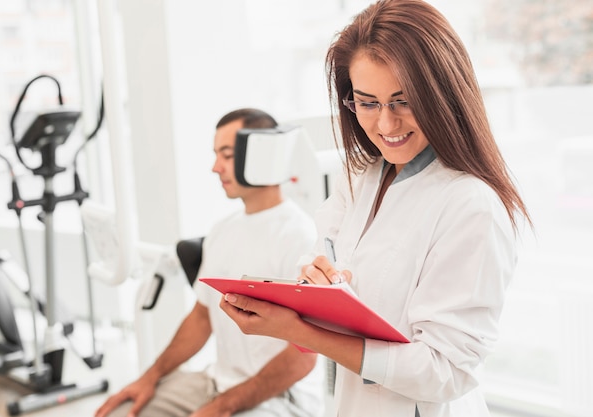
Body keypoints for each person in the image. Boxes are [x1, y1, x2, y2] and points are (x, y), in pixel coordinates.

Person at [220, 1, 533, 416]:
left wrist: (299, 331)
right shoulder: (362, 178)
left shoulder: (471, 204)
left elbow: (445, 372)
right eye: (368, 103)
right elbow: (324, 260)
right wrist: (309, 289)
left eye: (403, 102)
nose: (386, 125)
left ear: (442, 94)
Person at [95, 108, 324, 417]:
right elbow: (202, 319)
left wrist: (220, 408)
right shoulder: (222, 230)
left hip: (282, 399)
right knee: (120, 412)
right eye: (216, 154)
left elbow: (303, 357)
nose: (216, 167)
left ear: (261, 156)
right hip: (216, 382)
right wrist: (149, 377)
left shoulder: (300, 237)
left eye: (226, 155)